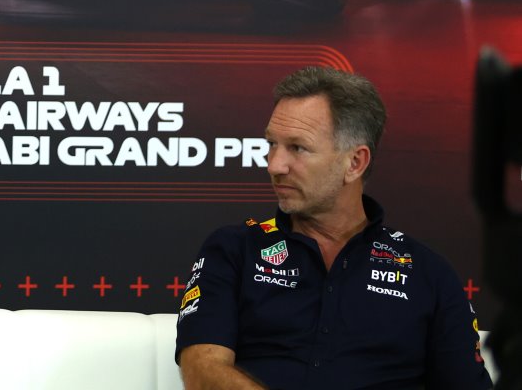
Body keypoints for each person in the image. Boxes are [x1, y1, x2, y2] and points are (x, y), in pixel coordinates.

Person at [176, 66, 492, 390]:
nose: (274, 165)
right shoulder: (233, 249)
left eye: (297, 148)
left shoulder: (430, 275)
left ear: (355, 163)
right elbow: (202, 370)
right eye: (272, 143)